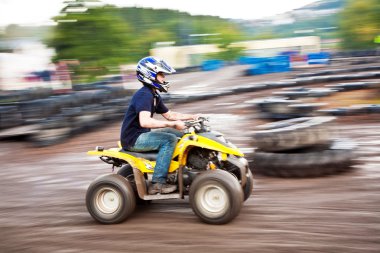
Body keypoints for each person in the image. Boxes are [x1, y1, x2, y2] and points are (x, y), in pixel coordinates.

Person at [120, 56, 199, 195]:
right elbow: (145, 122)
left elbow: (170, 115)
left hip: (142, 135)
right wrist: (173, 124)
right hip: (133, 139)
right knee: (169, 140)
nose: (164, 78)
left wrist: (192, 116)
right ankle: (158, 183)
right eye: (161, 74)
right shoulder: (144, 95)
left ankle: (180, 168)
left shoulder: (154, 95)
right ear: (150, 75)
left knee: (181, 135)